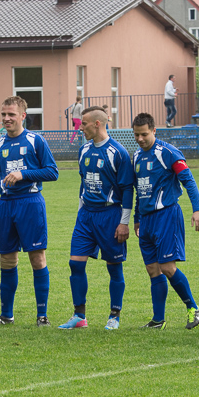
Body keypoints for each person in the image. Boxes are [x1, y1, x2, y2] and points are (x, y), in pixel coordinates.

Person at [0, 96, 59, 327]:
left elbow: (52, 171)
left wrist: (23, 174)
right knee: (7, 259)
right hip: (6, 206)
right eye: (3, 114)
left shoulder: (36, 141)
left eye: (11, 114)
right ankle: (6, 315)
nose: (6, 118)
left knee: (37, 257)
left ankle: (42, 316)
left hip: (30, 203)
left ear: (22, 116)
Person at [58, 106, 133, 330]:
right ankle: (79, 316)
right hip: (85, 216)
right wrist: (80, 212)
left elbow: (127, 189)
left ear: (97, 124)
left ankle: (114, 316)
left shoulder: (118, 152)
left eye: (84, 124)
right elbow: (83, 183)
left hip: (110, 215)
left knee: (114, 267)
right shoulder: (83, 150)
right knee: (75, 264)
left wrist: (124, 222)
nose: (80, 128)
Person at [132, 113, 199, 330]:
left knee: (167, 267)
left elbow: (188, 181)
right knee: (152, 269)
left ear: (154, 131)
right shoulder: (136, 156)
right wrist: (137, 219)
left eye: (144, 134)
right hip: (146, 220)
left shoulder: (168, 153)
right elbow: (139, 191)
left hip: (166, 216)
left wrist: (198, 210)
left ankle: (193, 307)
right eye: (136, 135)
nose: (140, 139)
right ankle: (158, 320)